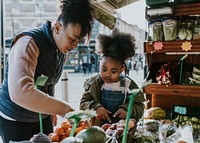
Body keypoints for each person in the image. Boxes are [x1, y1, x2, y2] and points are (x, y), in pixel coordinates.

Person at [0, 0, 94, 142]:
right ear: (57, 27)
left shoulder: (61, 50)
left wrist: (50, 110)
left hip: (40, 116)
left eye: (78, 42)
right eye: (72, 39)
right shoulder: (28, 43)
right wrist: (64, 109)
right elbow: (21, 92)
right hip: (15, 118)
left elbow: (47, 83)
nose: (74, 46)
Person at [80, 28, 145, 126]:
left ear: (122, 69)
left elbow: (140, 107)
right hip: (97, 129)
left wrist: (127, 109)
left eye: (113, 71)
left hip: (121, 129)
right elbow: (83, 103)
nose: (107, 74)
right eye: (104, 69)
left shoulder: (128, 84)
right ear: (99, 65)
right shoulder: (94, 83)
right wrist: (96, 107)